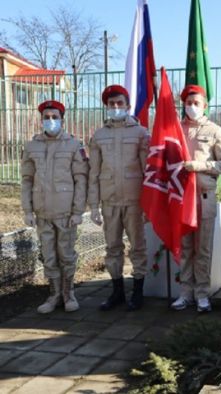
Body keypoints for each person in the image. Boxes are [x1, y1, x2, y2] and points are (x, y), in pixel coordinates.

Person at [170, 84, 221, 312]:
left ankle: (202, 295)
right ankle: (185, 293)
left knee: (203, 249)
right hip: (181, 198)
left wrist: (200, 166)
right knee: (185, 248)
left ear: (205, 105)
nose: (192, 107)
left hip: (204, 198)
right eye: (188, 103)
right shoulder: (176, 129)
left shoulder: (215, 131)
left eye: (196, 103)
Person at [21, 100, 88, 314]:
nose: (50, 121)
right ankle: (54, 295)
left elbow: (81, 180)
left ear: (62, 119)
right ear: (41, 121)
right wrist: (28, 210)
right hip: (42, 213)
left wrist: (78, 212)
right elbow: (27, 180)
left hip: (66, 213)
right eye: (46, 118)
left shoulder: (73, 145)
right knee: (49, 256)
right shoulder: (32, 146)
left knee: (66, 254)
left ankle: (69, 294)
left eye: (54, 117)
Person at [88, 85, 150, 311]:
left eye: (119, 103)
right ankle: (117, 292)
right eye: (111, 104)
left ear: (127, 105)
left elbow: (147, 172)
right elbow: (93, 173)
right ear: (106, 106)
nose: (115, 107)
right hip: (110, 201)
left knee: (138, 247)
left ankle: (138, 291)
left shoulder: (141, 133)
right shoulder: (99, 135)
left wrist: (148, 205)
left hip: (134, 201)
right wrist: (93, 206)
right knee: (112, 247)